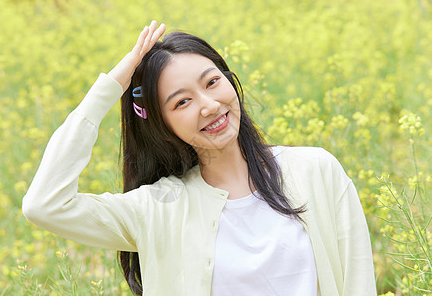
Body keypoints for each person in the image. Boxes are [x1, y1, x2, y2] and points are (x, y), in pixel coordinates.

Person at [22, 21, 377, 295]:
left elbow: (358, 280)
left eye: (211, 82)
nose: (209, 106)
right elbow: (45, 205)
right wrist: (112, 87)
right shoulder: (158, 208)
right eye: (182, 102)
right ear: (163, 127)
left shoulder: (315, 170)